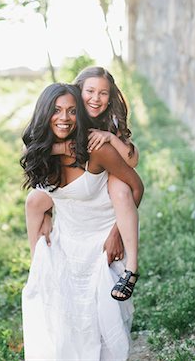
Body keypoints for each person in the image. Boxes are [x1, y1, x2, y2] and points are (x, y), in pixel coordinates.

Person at [21, 83, 144, 360]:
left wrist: (116, 234)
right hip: (69, 239)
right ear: (44, 113)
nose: (64, 117)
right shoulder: (43, 151)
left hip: (102, 240)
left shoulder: (95, 150)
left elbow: (136, 187)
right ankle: (37, 270)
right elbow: (42, 198)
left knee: (103, 324)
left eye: (72, 111)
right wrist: (48, 215)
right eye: (56, 110)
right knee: (65, 321)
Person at [25, 67, 141, 300]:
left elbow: (132, 161)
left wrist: (109, 137)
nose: (95, 98)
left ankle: (132, 269)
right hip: (80, 176)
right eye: (90, 91)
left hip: (109, 170)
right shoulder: (69, 109)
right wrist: (61, 147)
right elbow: (35, 150)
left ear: (110, 98)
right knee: (34, 200)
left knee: (120, 191)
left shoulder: (110, 121)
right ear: (78, 91)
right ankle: (36, 265)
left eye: (103, 93)